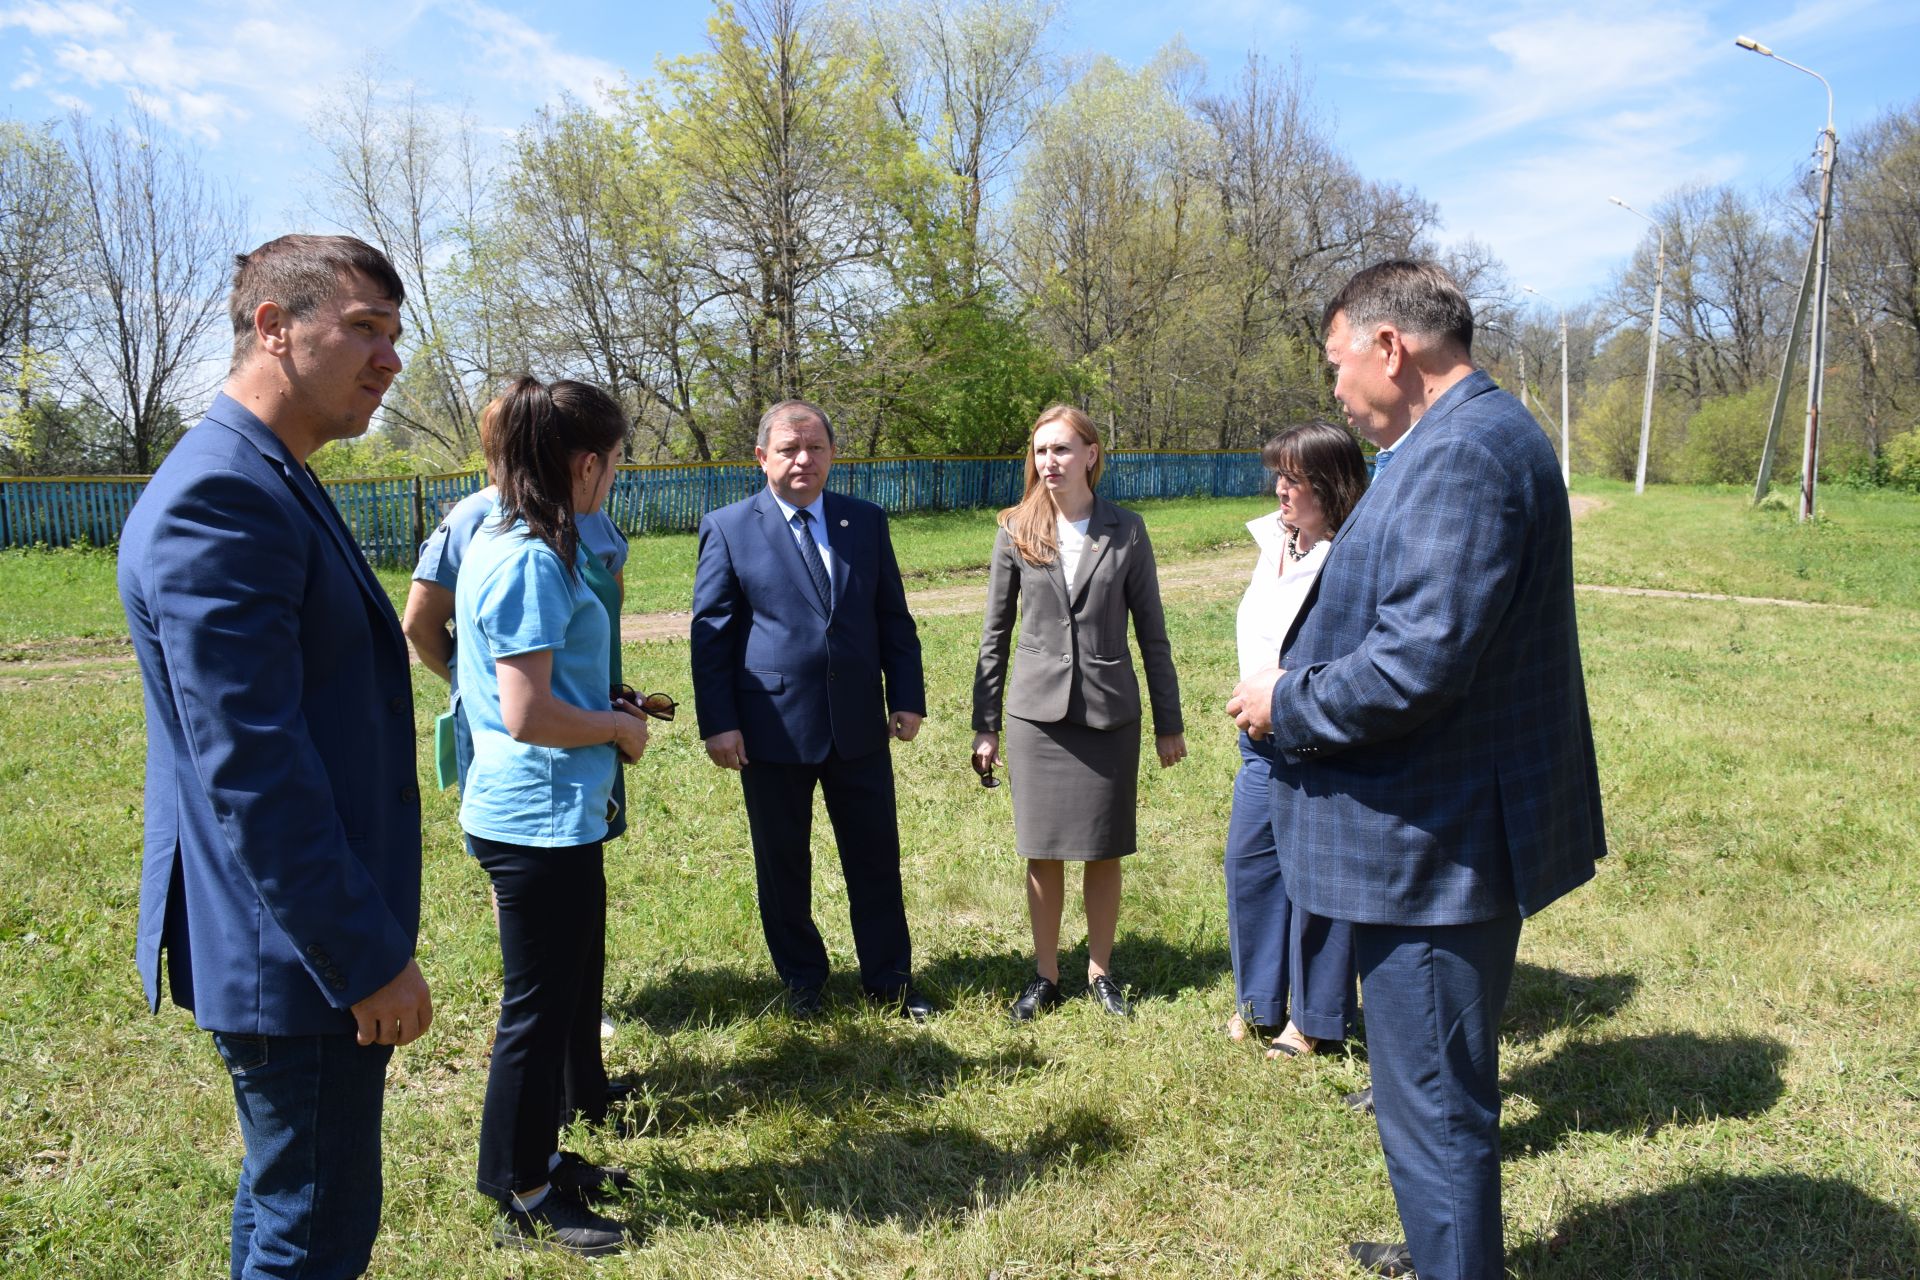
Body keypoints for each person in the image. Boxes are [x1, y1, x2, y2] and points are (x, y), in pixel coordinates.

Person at [1229, 260, 1606, 1280]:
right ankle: (1447, 1245)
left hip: (1435, 850)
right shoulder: (1457, 438)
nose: (1337, 391)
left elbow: (1419, 661)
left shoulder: (1463, 454)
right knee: (1426, 1093)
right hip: (1436, 830)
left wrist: (1283, 701)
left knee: (1436, 1104)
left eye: (1337, 362)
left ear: (1389, 347)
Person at [117, 233, 431, 1280]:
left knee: (289, 1198)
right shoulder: (226, 494)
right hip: (294, 957)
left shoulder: (267, 472)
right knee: (316, 1227)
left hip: (289, 946)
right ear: (273, 327)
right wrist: (367, 954)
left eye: (396, 332)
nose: (390, 358)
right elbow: (250, 768)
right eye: (364, 328)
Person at [454, 376, 651, 1256]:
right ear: (583, 464)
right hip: (534, 819)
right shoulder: (530, 558)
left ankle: (536, 1155)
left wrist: (605, 698)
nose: (615, 477)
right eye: (614, 462)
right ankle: (522, 1189)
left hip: (552, 812)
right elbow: (527, 712)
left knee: (558, 996)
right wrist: (616, 726)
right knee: (536, 1011)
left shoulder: (518, 536)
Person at [402, 399, 633, 1061]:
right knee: (536, 889)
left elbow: (591, 619)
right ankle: (544, 1011)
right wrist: (483, 685)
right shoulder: (491, 529)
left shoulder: (585, 515)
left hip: (584, 728)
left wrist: (607, 699)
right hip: (534, 748)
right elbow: (423, 625)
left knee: (578, 884)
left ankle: (575, 1055)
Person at [689, 399, 931, 1021]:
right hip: (771, 728)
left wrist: (905, 696)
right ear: (762, 457)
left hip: (858, 724)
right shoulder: (729, 527)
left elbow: (892, 618)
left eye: (816, 448)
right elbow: (711, 634)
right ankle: (803, 982)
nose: (804, 460)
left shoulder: (865, 521)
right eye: (790, 449)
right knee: (783, 864)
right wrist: (718, 721)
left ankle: (890, 980)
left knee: (875, 857)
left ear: (831, 454)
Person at [971, 404, 1186, 1022]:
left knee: (1102, 847)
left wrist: (1170, 724)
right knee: (1042, 849)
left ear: (1091, 454)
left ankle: (1100, 971)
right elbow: (995, 633)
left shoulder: (1128, 529)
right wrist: (984, 725)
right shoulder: (1015, 527)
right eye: (1040, 452)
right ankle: (1045, 974)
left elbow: (1154, 632)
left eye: (1062, 450)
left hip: (1108, 711)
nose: (1049, 463)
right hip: (1035, 716)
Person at [1224, 422, 1366, 1060]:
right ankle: (1259, 1004)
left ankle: (1315, 1020)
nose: (1281, 489)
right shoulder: (1272, 540)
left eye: (1295, 479)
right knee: (1250, 866)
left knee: (1318, 881)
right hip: (1259, 741)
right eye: (1277, 476)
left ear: (1330, 486)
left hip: (1315, 737)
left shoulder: (1352, 553)